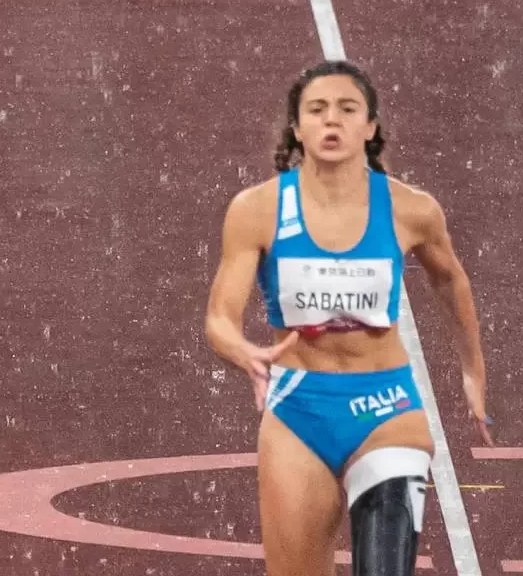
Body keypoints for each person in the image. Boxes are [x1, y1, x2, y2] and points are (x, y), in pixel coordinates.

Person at [203, 60, 492, 575]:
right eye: (316, 109)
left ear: (370, 127)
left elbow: (451, 279)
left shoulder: (411, 209)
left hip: (386, 409)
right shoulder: (257, 210)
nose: (331, 121)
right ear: (297, 128)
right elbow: (220, 317)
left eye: (346, 108)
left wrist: (472, 369)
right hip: (299, 410)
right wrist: (241, 349)